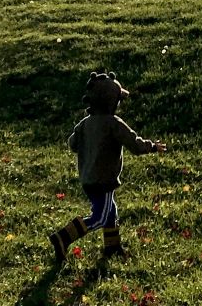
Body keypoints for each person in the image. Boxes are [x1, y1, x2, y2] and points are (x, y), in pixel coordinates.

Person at [49, 71, 167, 263]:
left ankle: (112, 247)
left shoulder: (84, 124)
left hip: (88, 179)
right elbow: (134, 144)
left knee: (110, 211)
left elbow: (72, 144)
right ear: (112, 102)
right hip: (103, 179)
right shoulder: (113, 124)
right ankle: (63, 237)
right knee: (100, 217)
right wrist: (152, 146)